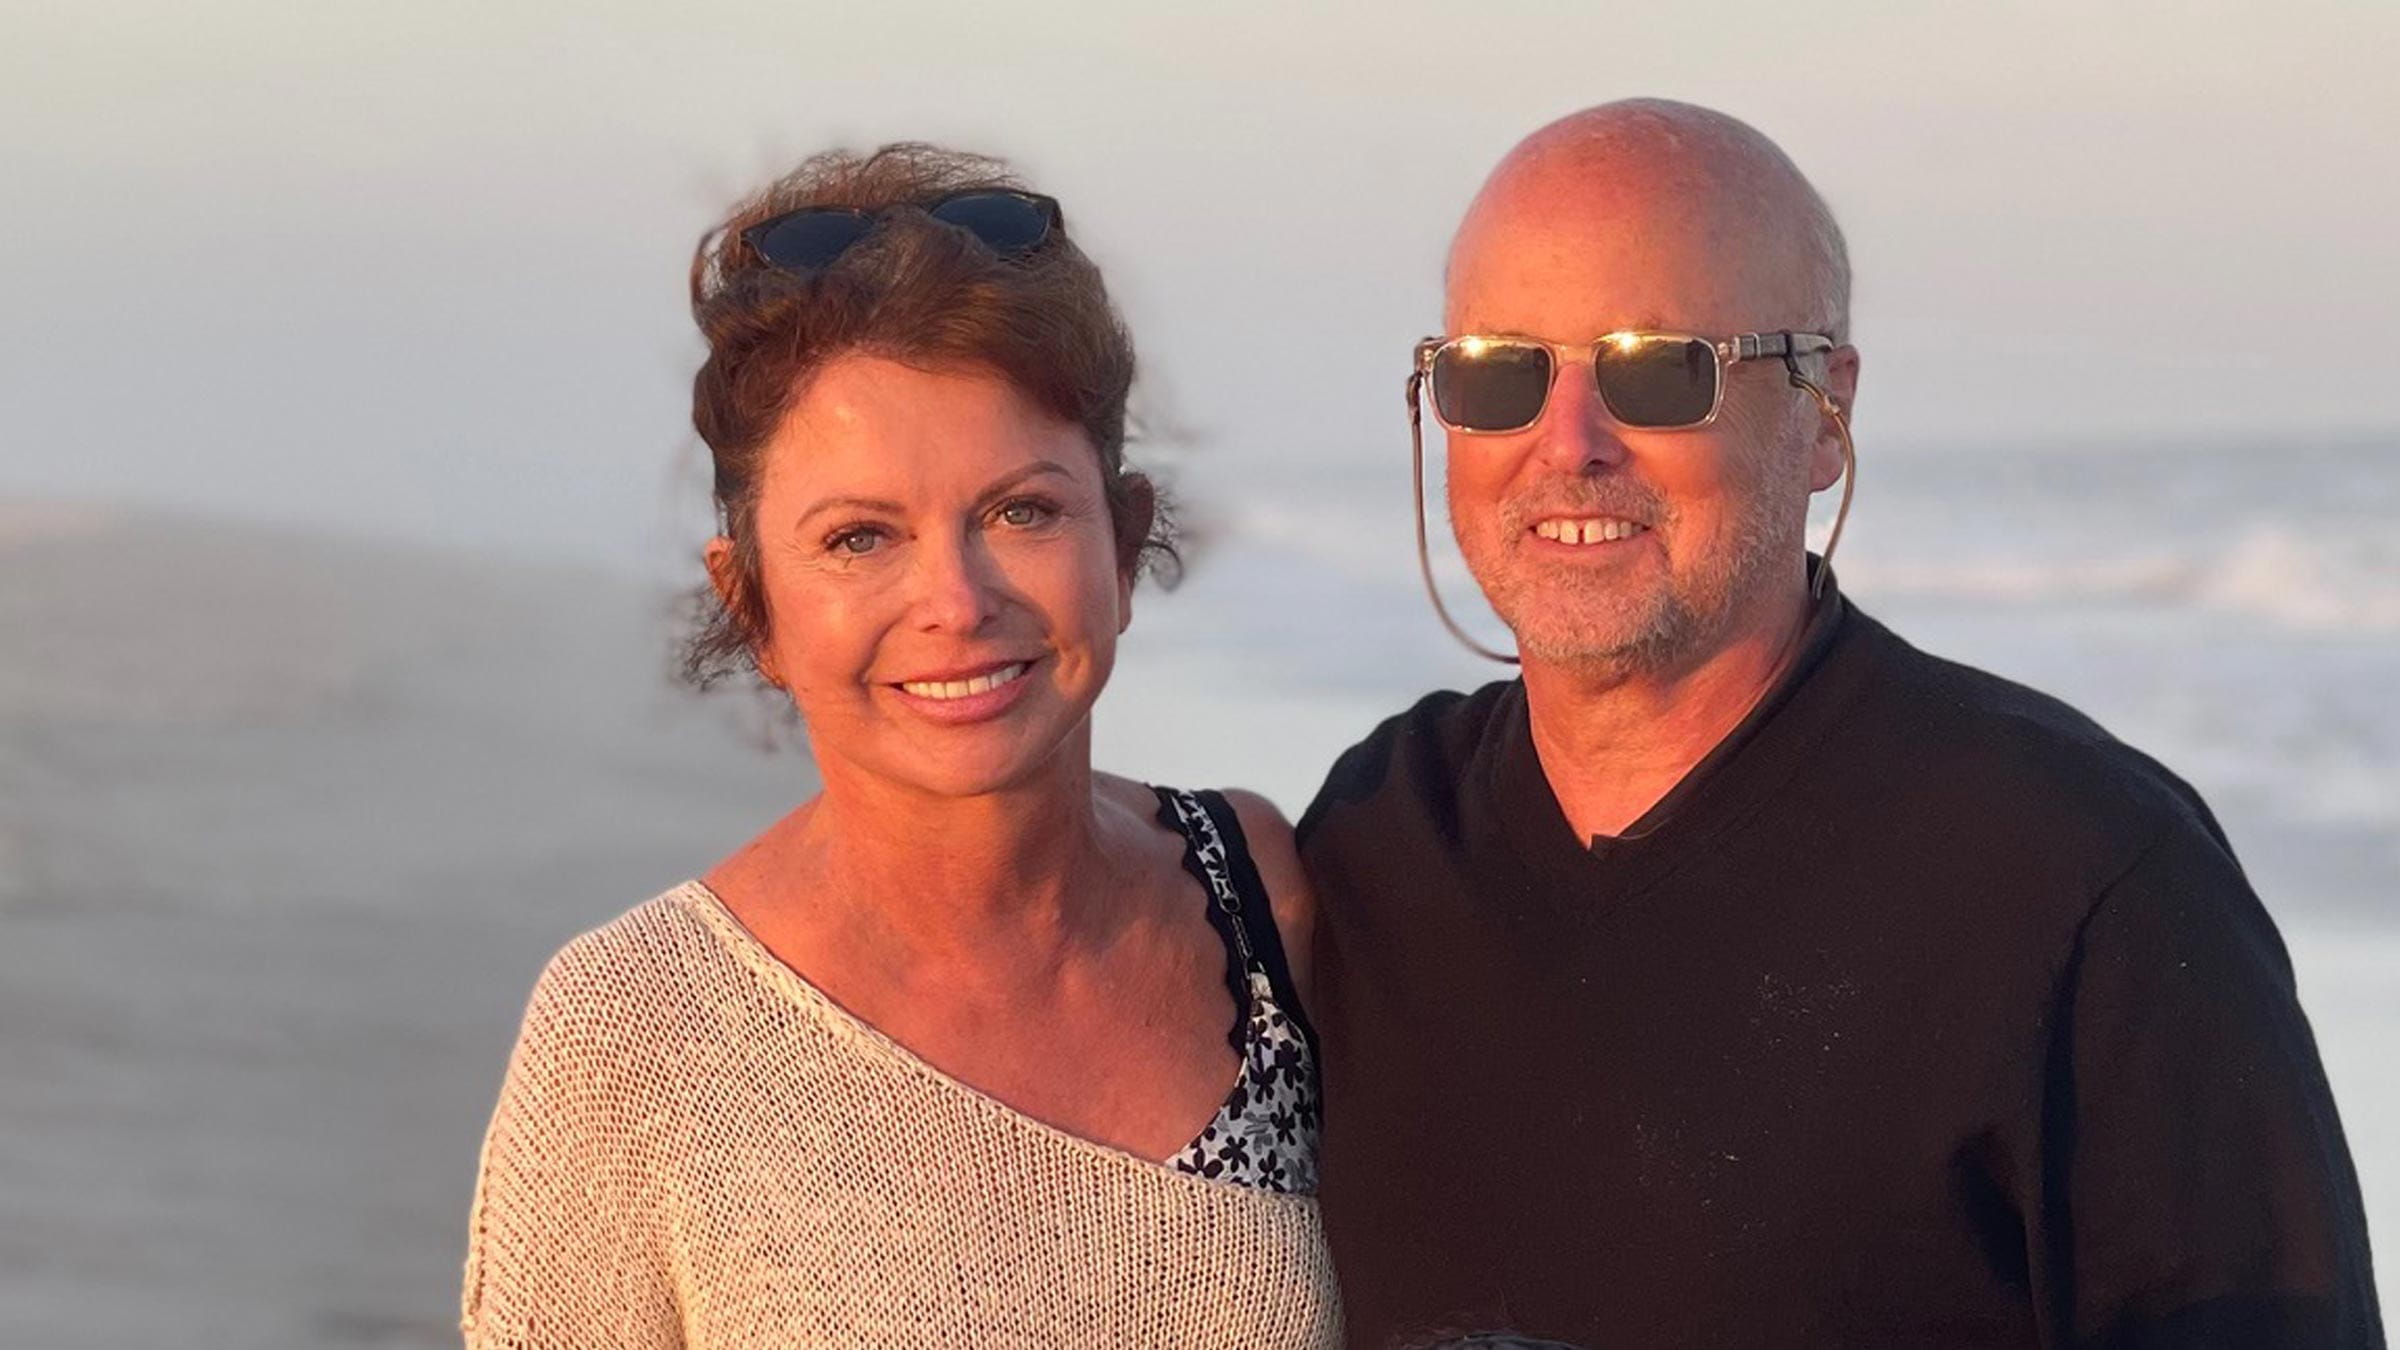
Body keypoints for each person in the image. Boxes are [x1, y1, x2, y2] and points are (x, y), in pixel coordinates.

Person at [1299, 99, 2381, 1348]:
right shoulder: (1382, 835)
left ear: (1824, 411)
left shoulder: (2082, 877)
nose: (1569, 444)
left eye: (1659, 367)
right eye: (1499, 373)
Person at [460, 144, 1338, 1347]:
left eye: (1021, 512)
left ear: (1123, 549)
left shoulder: (1263, 902)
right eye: (861, 539)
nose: (958, 600)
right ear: (751, 604)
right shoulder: (636, 1042)